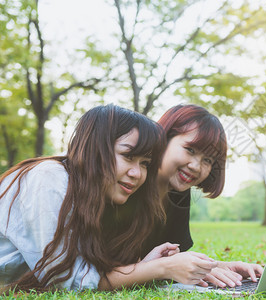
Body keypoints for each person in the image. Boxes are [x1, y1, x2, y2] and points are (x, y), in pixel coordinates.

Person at [0, 104, 218, 292]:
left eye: (145, 163)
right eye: (128, 156)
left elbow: (90, 269)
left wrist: (147, 265)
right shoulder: (49, 177)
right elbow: (66, 279)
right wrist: (159, 268)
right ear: (95, 148)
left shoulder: (93, 194)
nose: (137, 173)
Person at [141, 104, 264, 288]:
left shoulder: (178, 193)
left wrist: (221, 267)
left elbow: (172, 260)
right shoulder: (130, 184)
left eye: (207, 160)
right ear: (164, 139)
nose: (196, 166)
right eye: (190, 150)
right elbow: (109, 269)